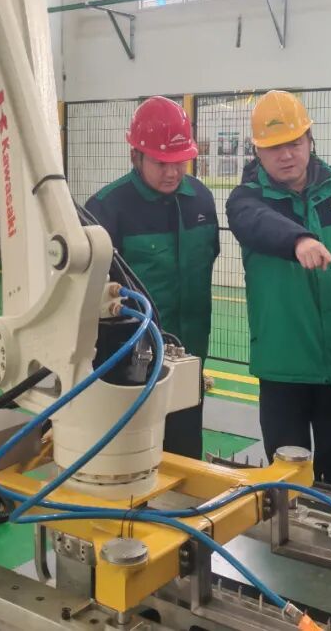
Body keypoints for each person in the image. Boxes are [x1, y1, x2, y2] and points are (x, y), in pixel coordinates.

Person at [226, 90, 331, 482]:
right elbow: (256, 223)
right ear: (257, 152)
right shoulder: (246, 200)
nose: (286, 155)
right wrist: (299, 240)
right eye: (274, 147)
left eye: (294, 143)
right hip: (284, 365)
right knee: (285, 473)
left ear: (310, 140)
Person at [85, 96, 219, 459]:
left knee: (185, 457)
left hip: (189, 358)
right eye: (161, 162)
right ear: (136, 155)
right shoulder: (106, 209)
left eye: (180, 161)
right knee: (129, 459)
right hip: (127, 366)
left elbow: (209, 257)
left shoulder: (201, 200)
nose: (172, 172)